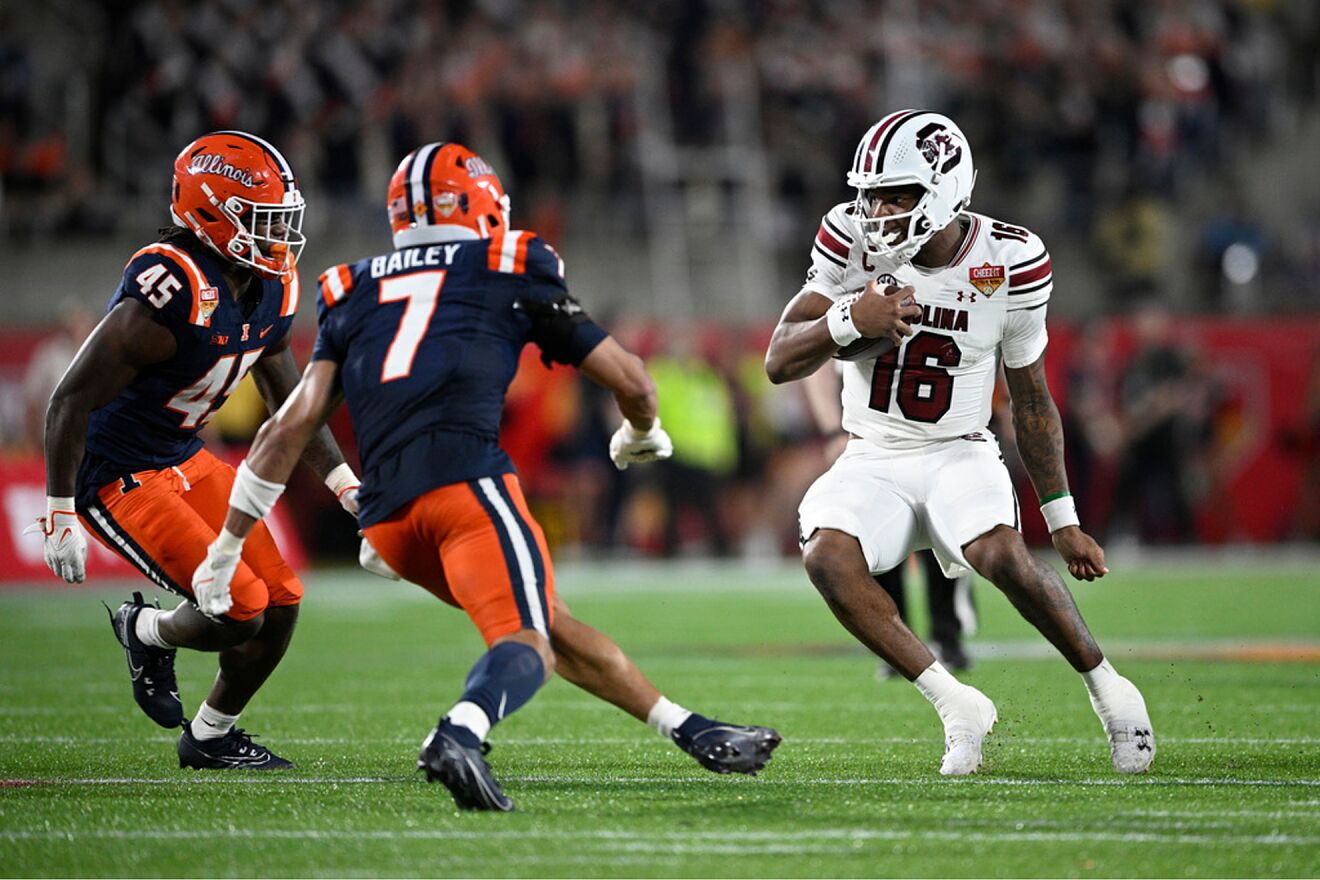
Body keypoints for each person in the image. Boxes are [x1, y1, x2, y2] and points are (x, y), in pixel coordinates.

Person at [191, 142, 781, 811]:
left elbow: (286, 428)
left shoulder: (349, 286)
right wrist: (641, 432)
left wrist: (227, 547)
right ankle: (459, 732)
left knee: (544, 624)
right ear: (478, 205)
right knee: (528, 644)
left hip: (386, 526)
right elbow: (634, 381)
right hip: (466, 492)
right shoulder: (508, 262)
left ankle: (690, 729)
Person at [765, 110, 1155, 776]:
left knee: (1001, 555)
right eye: (871, 194)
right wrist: (846, 318)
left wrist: (1063, 519)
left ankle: (1112, 691)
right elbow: (779, 360)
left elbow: (1031, 398)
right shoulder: (846, 237)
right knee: (827, 558)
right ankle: (955, 702)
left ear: (944, 189)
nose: (877, 211)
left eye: (897, 194)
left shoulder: (1011, 258)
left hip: (959, 448)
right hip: (873, 453)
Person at [29, 132, 360, 770]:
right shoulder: (169, 289)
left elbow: (292, 409)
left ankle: (209, 735)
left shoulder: (270, 288)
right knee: (240, 606)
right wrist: (59, 510)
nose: (280, 236)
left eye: (282, 220)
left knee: (283, 597)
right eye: (263, 221)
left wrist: (348, 486)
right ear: (211, 212)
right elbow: (68, 400)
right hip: (118, 473)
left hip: (184, 456)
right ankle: (146, 630)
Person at [802, 366, 976, 678]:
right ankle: (897, 645)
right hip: (868, 431)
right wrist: (833, 430)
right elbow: (819, 366)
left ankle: (948, 635)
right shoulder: (844, 317)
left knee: (940, 531)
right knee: (873, 537)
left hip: (929, 425)